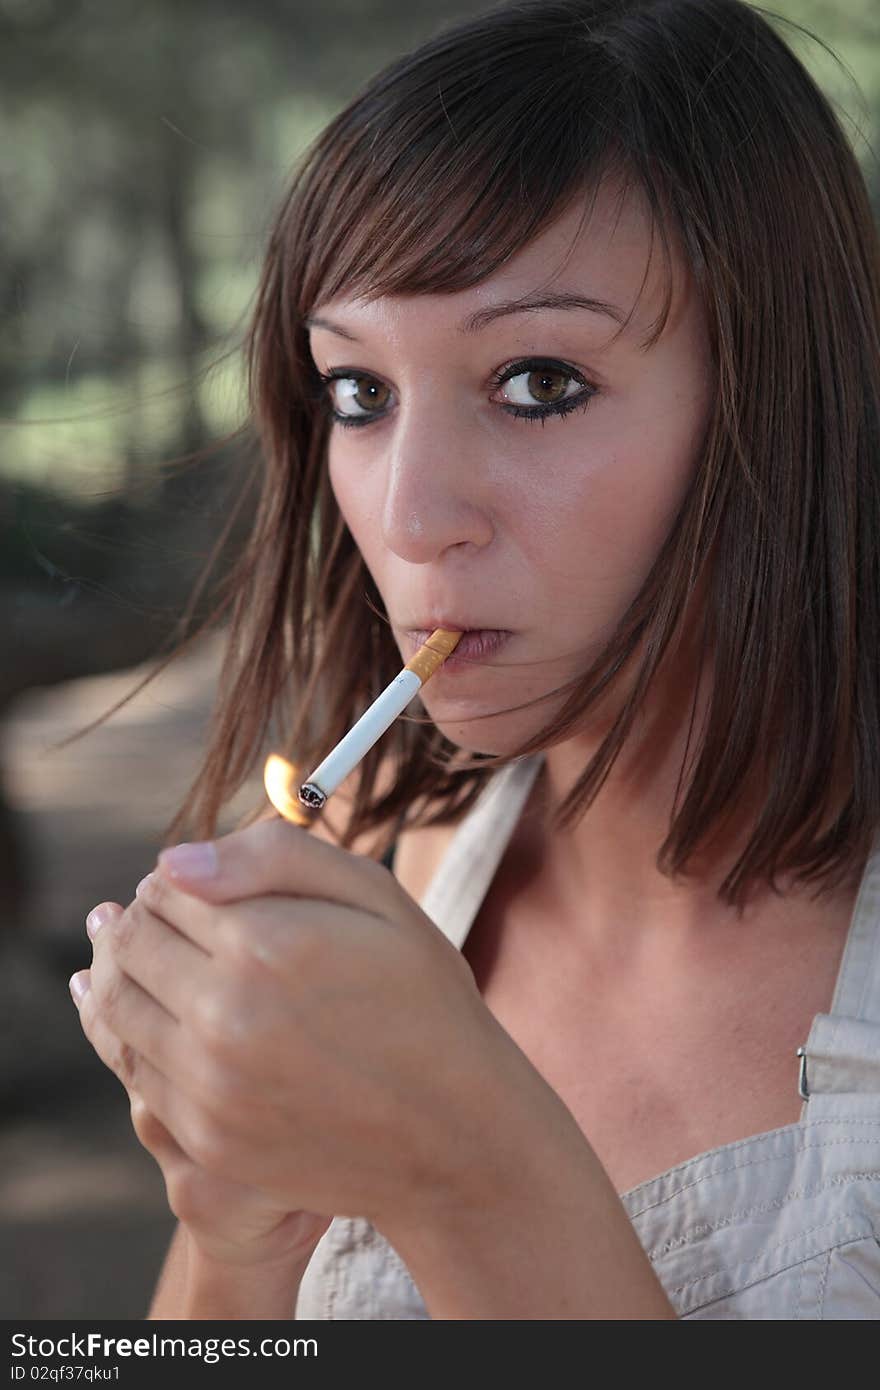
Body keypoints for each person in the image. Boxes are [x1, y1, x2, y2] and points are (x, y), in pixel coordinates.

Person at [68, 0, 880, 1318]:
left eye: (539, 382)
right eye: (359, 394)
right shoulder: (393, 867)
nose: (407, 514)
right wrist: (239, 1219)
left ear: (773, 398)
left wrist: (471, 1176)